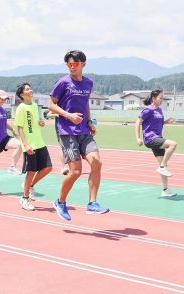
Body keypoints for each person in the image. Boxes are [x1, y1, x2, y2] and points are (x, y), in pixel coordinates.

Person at [49, 50, 109, 221]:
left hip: (84, 130)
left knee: (96, 162)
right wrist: (68, 115)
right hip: (67, 132)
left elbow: (85, 104)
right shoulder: (62, 82)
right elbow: (51, 105)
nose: (72, 67)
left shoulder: (88, 83)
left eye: (75, 64)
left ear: (83, 64)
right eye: (69, 64)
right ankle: (60, 202)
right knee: (75, 172)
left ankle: (92, 203)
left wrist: (89, 121)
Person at [14, 83, 52, 211]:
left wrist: (41, 123)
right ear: (21, 94)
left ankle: (30, 185)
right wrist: (25, 144)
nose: (30, 90)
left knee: (48, 168)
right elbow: (19, 128)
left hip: (40, 142)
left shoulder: (35, 106)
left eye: (30, 88)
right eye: (27, 89)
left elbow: (37, 121)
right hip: (29, 145)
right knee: (31, 172)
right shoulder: (21, 108)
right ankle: (24, 199)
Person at [135, 89, 177, 197]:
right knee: (173, 144)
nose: (162, 100)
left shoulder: (159, 110)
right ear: (153, 98)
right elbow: (138, 121)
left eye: (162, 98)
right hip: (150, 138)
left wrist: (167, 121)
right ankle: (162, 167)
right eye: (160, 98)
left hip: (158, 137)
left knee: (164, 165)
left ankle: (165, 190)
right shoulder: (148, 109)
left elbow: (157, 122)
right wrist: (138, 138)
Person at [46, 111, 70, 175]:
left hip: (70, 128)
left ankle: (71, 167)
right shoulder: (57, 105)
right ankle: (63, 167)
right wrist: (57, 114)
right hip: (60, 128)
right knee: (63, 147)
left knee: (71, 146)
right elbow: (48, 115)